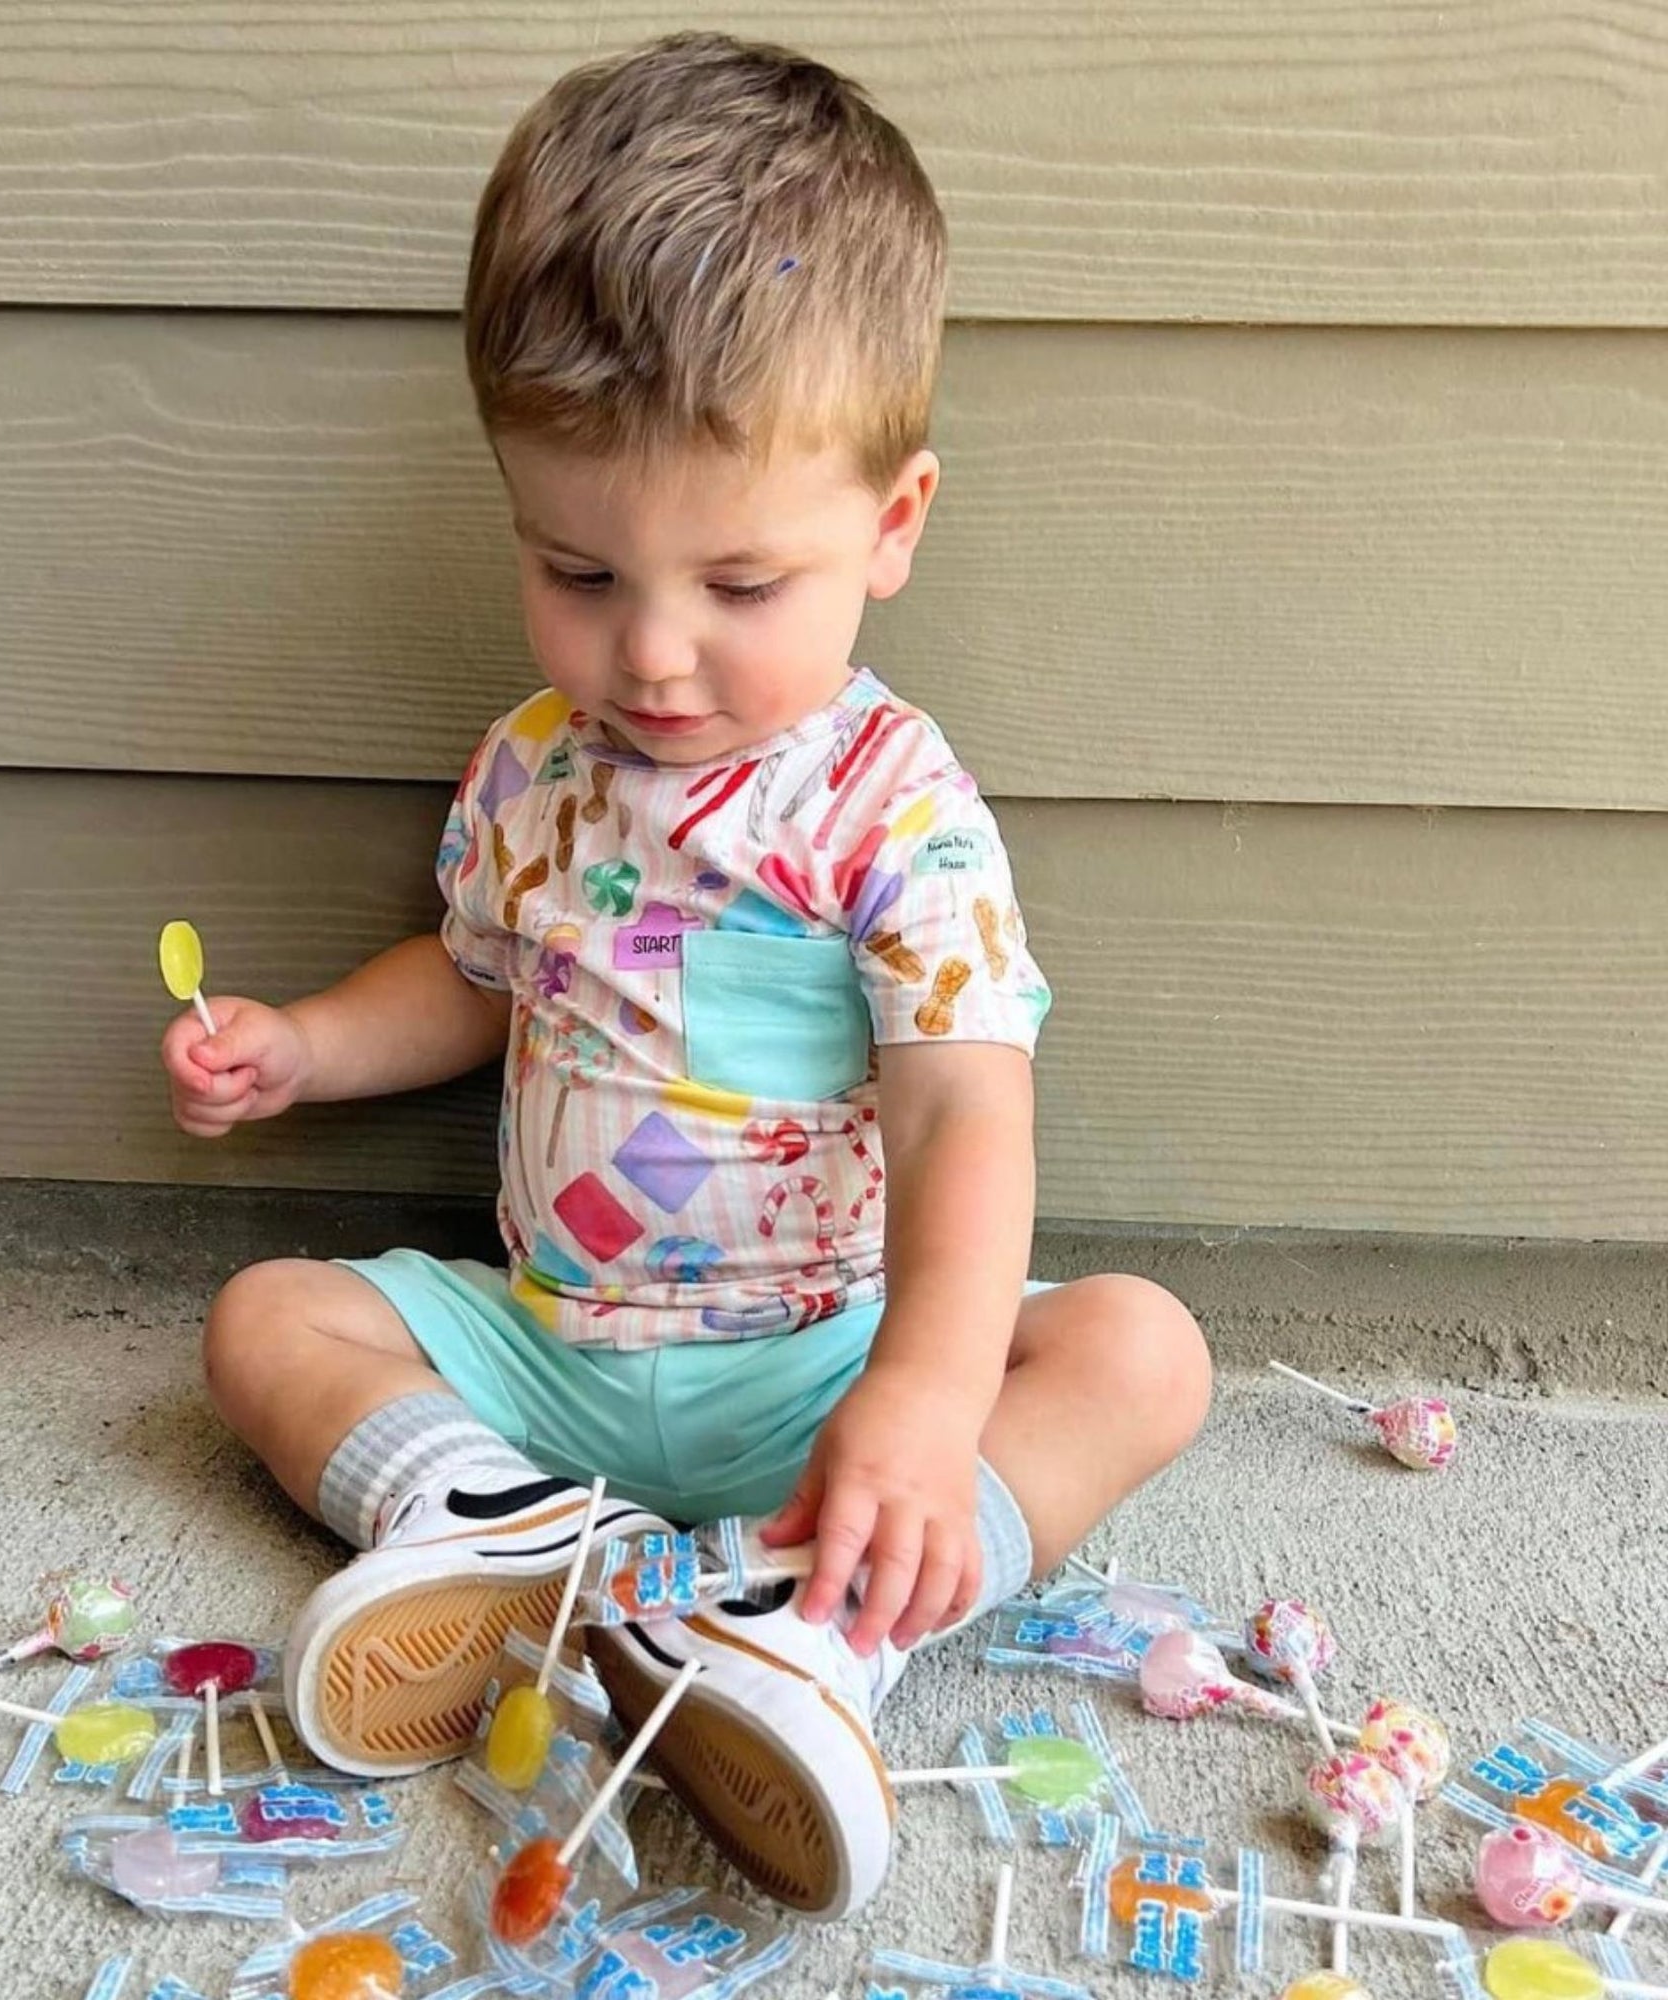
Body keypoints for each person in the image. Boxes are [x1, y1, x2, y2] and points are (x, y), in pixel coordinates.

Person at [166, 30, 1210, 1921]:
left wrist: (914, 1386)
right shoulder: (532, 772)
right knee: (263, 1319)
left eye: (738, 589)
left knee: (1140, 1350)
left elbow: (969, 1100)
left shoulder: (895, 802)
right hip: (548, 1357)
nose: (649, 655)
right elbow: (478, 984)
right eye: (577, 571)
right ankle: (483, 1524)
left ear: (889, 530)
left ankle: (816, 1626)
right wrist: (306, 1048)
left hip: (818, 1375)